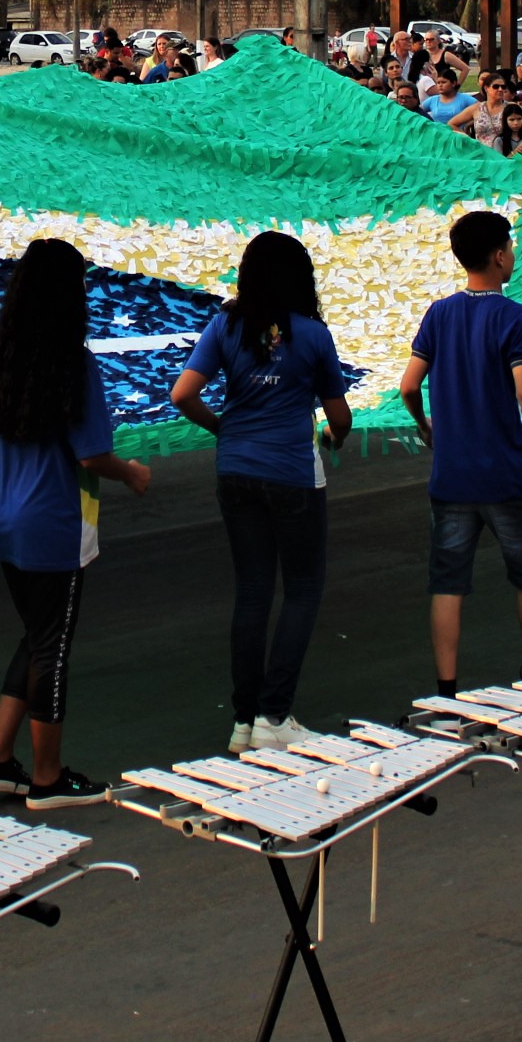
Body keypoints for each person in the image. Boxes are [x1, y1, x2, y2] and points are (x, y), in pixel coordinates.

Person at [0, 238, 152, 811]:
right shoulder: (74, 365)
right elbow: (92, 455)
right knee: (53, 648)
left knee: (36, 636)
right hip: (55, 524)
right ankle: (47, 777)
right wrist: (133, 474)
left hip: (5, 520)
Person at [168, 231, 353, 754]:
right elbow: (339, 416)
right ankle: (275, 714)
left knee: (252, 591)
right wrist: (333, 437)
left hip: (236, 470)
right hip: (292, 473)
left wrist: (224, 428)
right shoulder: (312, 334)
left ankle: (244, 721)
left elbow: (183, 394)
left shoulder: (226, 324)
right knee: (302, 589)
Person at [398, 209, 522, 691]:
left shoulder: (439, 314)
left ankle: (446, 690)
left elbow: (409, 385)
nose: (513, 254)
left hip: (451, 477)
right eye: (510, 247)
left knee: (448, 584)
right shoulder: (517, 319)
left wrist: (425, 425)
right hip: (505, 475)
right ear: (498, 256)